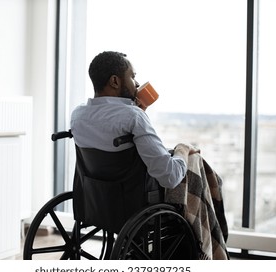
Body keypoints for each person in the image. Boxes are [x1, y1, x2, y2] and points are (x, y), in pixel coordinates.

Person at [70, 51, 198, 189]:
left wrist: (139, 112)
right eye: (132, 76)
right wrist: (183, 149)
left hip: (94, 201)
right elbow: (170, 177)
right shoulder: (134, 117)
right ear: (115, 81)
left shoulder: (78, 115)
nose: (137, 84)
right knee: (193, 160)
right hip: (132, 202)